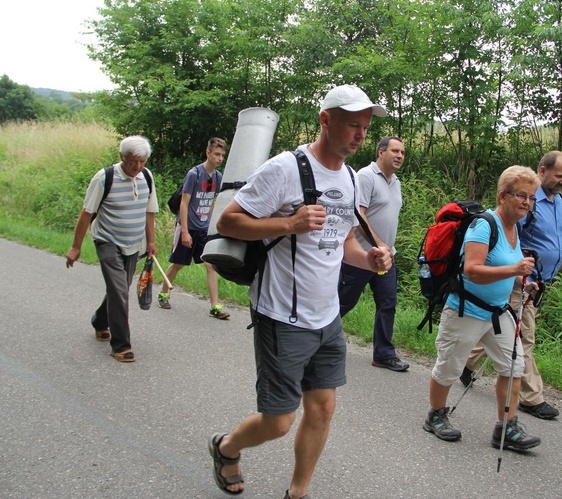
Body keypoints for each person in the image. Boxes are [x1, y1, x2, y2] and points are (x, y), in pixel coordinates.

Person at [208, 84, 391, 498]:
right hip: (281, 315)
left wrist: (369, 259)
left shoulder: (349, 179)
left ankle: (297, 492)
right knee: (278, 421)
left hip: (326, 316)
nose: (360, 135)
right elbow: (228, 222)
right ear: (325, 120)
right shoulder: (284, 169)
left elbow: (342, 243)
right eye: (351, 125)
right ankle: (226, 447)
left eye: (364, 127)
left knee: (323, 408)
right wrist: (289, 224)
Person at [423, 165, 542, 452]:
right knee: (449, 367)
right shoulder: (483, 225)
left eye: (531, 197)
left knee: (514, 367)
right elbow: (473, 270)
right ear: (503, 195)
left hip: (498, 312)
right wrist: (514, 267)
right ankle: (436, 416)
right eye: (521, 196)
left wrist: (521, 281)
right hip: (467, 310)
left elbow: (500, 266)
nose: (527, 202)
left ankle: (507, 428)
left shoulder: (513, 228)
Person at [461, 151, 562, 420]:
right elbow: (507, 232)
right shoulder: (529, 202)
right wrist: (517, 273)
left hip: (541, 283)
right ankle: (531, 398)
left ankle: (466, 362)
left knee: (500, 330)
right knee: (523, 337)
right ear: (542, 171)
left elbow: (560, 240)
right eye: (559, 176)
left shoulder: (561, 202)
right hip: (520, 281)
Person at [66, 136, 158, 363]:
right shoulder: (104, 178)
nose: (137, 167)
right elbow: (86, 214)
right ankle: (121, 345)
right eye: (132, 162)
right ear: (121, 157)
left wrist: (151, 242)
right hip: (107, 241)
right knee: (119, 292)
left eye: (142, 162)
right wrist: (75, 247)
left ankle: (100, 320)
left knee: (119, 289)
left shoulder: (146, 176)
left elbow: (149, 211)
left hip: (134, 244)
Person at [338, 136, 409, 372]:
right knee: (342, 302)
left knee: (387, 303)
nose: (399, 156)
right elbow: (358, 216)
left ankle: (383, 354)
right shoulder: (365, 176)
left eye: (402, 153)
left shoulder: (395, 181)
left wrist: (387, 249)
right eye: (395, 151)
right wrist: (379, 244)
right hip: (360, 255)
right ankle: (315, 338)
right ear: (381, 152)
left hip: (385, 257)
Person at [157, 137, 230, 319]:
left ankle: (215, 306)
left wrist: (213, 226)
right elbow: (184, 203)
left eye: (222, 155)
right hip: (188, 226)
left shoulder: (218, 177)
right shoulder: (194, 174)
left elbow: (211, 201)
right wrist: (184, 231)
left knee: (210, 265)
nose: (220, 159)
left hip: (204, 228)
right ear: (208, 153)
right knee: (179, 263)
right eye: (217, 154)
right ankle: (164, 293)